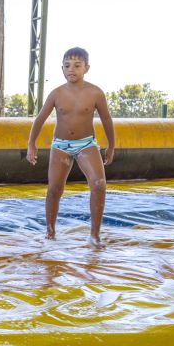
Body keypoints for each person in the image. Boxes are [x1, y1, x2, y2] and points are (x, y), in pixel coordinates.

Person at [26, 46, 115, 248]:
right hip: (61, 146)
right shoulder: (56, 93)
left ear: (87, 68)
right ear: (62, 69)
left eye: (77, 65)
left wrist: (111, 146)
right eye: (67, 65)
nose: (71, 69)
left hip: (86, 144)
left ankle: (94, 235)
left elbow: (107, 120)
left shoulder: (95, 93)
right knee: (55, 188)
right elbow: (39, 119)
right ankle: (50, 232)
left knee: (99, 184)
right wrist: (31, 144)